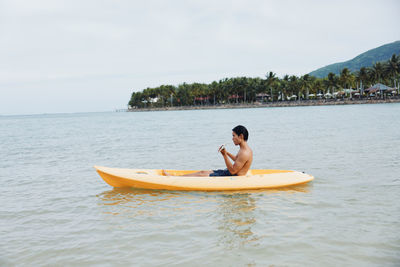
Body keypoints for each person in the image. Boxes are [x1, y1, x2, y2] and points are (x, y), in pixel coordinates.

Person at [163, 125, 253, 177]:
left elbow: (233, 171)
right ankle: (177, 177)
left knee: (202, 173)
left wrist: (224, 156)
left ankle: (175, 178)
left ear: (241, 136)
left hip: (232, 176)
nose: (232, 138)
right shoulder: (245, 149)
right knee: (204, 171)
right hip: (229, 173)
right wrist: (227, 153)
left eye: (234, 136)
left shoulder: (244, 153)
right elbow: (237, 160)